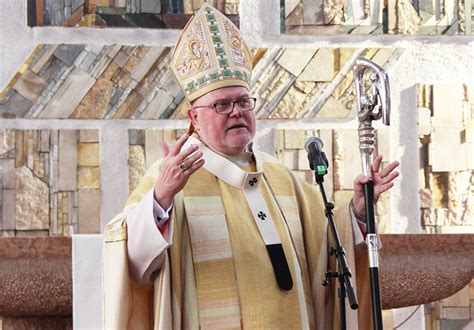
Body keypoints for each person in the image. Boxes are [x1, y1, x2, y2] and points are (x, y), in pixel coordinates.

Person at [102, 4, 399, 329]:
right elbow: (129, 259)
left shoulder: (281, 178)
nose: (236, 112)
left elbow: (328, 253)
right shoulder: (173, 176)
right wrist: (160, 199)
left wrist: (358, 209)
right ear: (194, 118)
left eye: (244, 102)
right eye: (222, 104)